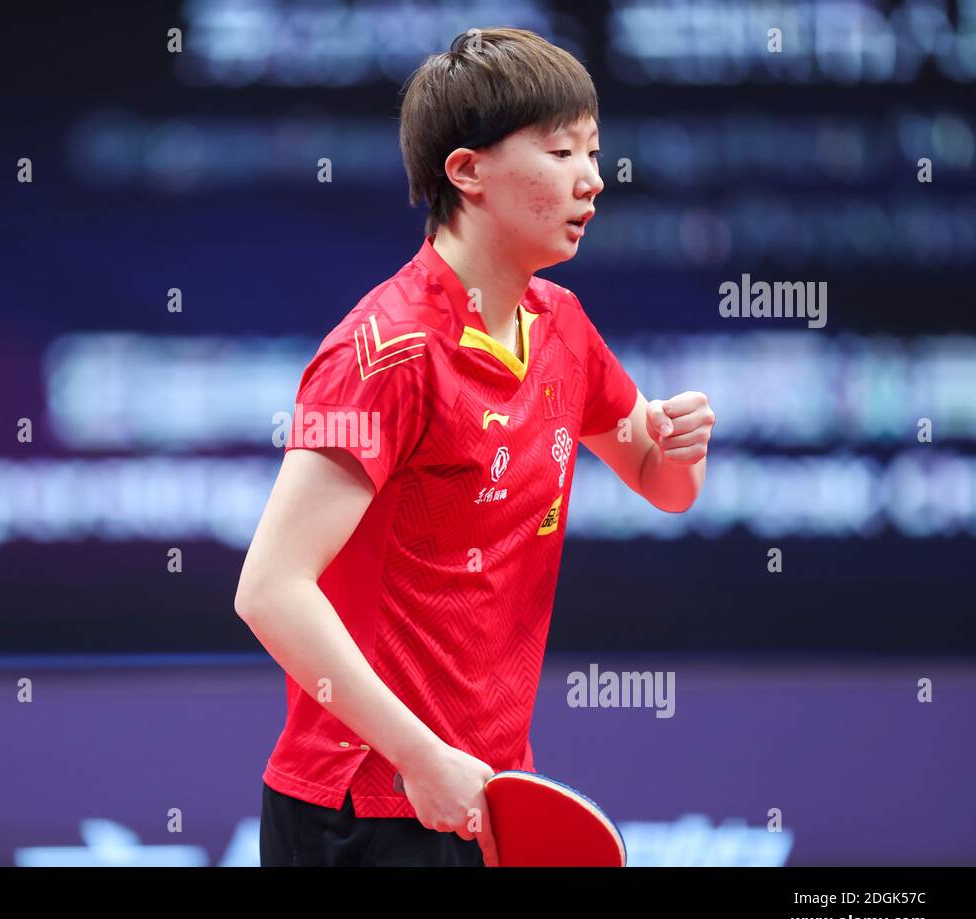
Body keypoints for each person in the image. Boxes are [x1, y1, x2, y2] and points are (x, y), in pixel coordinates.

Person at [235, 26, 715, 867]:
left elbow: (661, 482)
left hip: (488, 789)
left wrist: (677, 444)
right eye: (562, 150)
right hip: (364, 805)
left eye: (595, 152)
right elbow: (270, 589)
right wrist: (419, 757)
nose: (593, 180)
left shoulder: (560, 326)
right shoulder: (383, 354)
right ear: (466, 172)